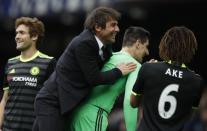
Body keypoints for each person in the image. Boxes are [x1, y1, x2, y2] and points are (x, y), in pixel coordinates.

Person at [33, 7, 136, 131]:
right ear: (98, 27)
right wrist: (118, 71)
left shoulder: (105, 44)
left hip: (61, 104)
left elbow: (112, 58)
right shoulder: (84, 43)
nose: (117, 29)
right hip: (52, 103)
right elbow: (94, 78)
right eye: (113, 25)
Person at [65, 26, 150, 131]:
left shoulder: (109, 56)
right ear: (137, 43)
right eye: (146, 46)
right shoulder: (134, 65)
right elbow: (129, 100)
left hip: (74, 112)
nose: (147, 52)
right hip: (93, 116)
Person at [130, 26, 205, 131]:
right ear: (191, 49)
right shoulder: (197, 81)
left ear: (165, 45)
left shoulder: (149, 68)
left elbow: (133, 103)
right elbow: (189, 116)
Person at [0, 17, 56, 131]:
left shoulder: (49, 63)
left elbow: (53, 101)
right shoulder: (10, 63)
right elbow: (5, 99)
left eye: (21, 33)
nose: (17, 37)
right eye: (16, 33)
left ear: (34, 36)